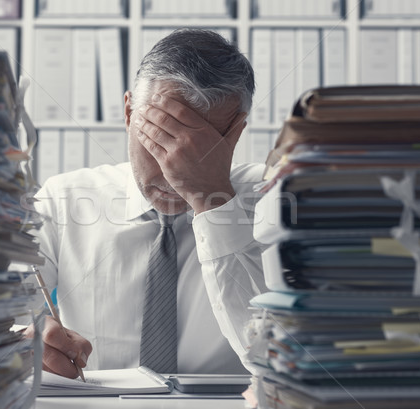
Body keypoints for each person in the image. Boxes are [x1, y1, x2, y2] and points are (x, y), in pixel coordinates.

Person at [27, 28, 267, 378]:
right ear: (128, 113)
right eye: (161, 138)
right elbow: (0, 318)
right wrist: (28, 337)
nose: (175, 171)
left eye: (202, 148)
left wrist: (211, 200)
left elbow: (272, 357)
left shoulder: (273, 201)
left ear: (237, 133)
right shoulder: (63, 199)